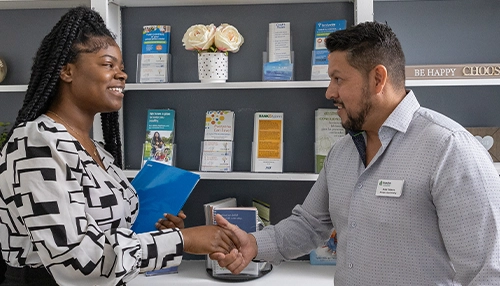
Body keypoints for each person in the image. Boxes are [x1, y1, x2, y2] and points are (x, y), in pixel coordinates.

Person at [214, 21, 500, 285]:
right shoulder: (342, 152)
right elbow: (310, 225)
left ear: (378, 79)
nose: (329, 92)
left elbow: (487, 271)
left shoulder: (450, 149)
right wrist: (254, 244)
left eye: (338, 79)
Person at [0, 7, 240, 286]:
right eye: (108, 64)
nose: (121, 75)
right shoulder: (36, 143)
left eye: (122, 68)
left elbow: (111, 235)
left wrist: (160, 231)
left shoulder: (97, 151)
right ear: (66, 70)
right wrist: (181, 241)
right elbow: (76, 260)